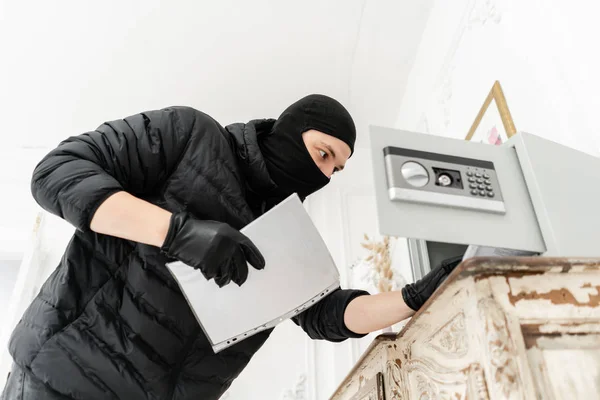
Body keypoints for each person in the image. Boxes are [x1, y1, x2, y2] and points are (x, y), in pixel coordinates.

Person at [1, 94, 462, 400]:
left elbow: (326, 315)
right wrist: (177, 232)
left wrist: (413, 299)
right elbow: (57, 172)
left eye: (336, 171)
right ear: (290, 129)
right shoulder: (189, 135)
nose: (323, 175)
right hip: (59, 379)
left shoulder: (288, 235)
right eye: (323, 154)